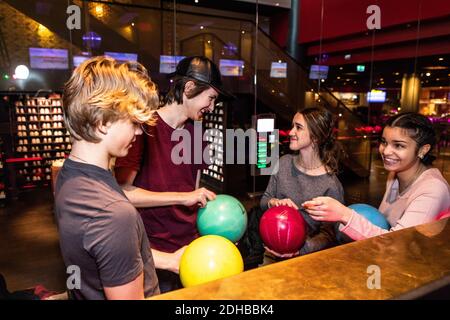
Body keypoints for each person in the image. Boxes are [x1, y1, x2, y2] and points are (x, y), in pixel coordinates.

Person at [114, 56, 231, 292]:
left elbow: (194, 197)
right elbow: (123, 194)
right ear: (189, 89)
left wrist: (217, 232)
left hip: (191, 251)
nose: (212, 107)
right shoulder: (142, 129)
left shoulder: (198, 136)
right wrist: (180, 196)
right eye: (210, 98)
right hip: (153, 252)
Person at [54, 56, 160, 300]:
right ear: (102, 123)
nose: (137, 131)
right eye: (134, 122)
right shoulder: (113, 214)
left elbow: (105, 256)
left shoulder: (70, 175)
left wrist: (170, 260)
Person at [303, 112, 450, 240]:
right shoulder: (395, 174)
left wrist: (345, 215)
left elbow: (399, 242)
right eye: (384, 142)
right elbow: (383, 221)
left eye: (398, 145)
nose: (386, 151)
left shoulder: (433, 189)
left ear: (423, 150)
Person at [260, 107, 345, 258]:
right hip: (271, 251)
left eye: (298, 128)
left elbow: (329, 234)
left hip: (306, 259)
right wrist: (273, 203)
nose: (291, 132)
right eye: (292, 126)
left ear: (316, 137)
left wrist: (299, 251)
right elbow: (264, 200)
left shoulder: (331, 184)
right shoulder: (284, 163)